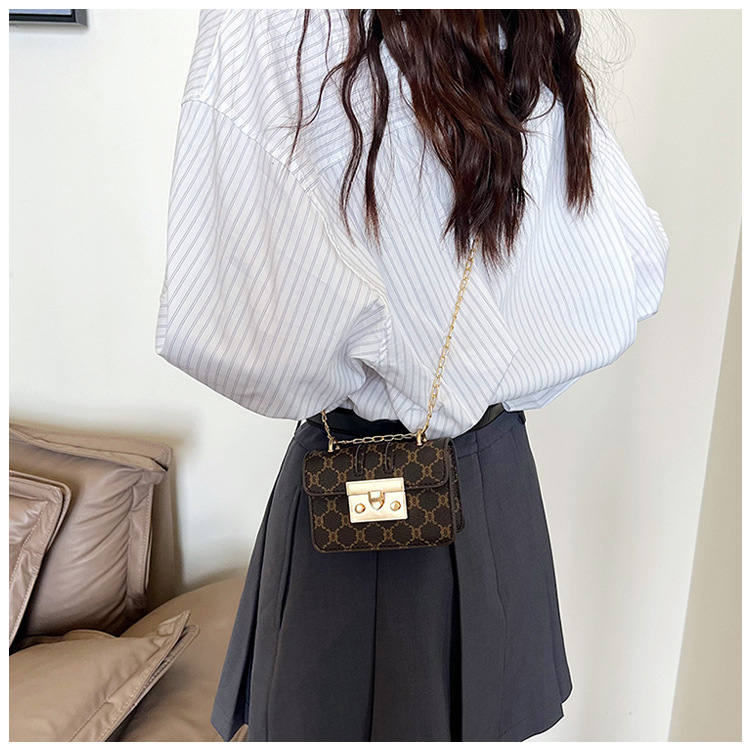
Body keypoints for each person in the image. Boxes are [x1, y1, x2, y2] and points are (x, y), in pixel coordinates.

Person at [155, 10, 669, 742]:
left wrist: (391, 347)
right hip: (493, 482)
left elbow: (228, 327)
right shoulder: (521, 25)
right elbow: (630, 269)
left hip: (362, 491)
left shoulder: (275, 21)